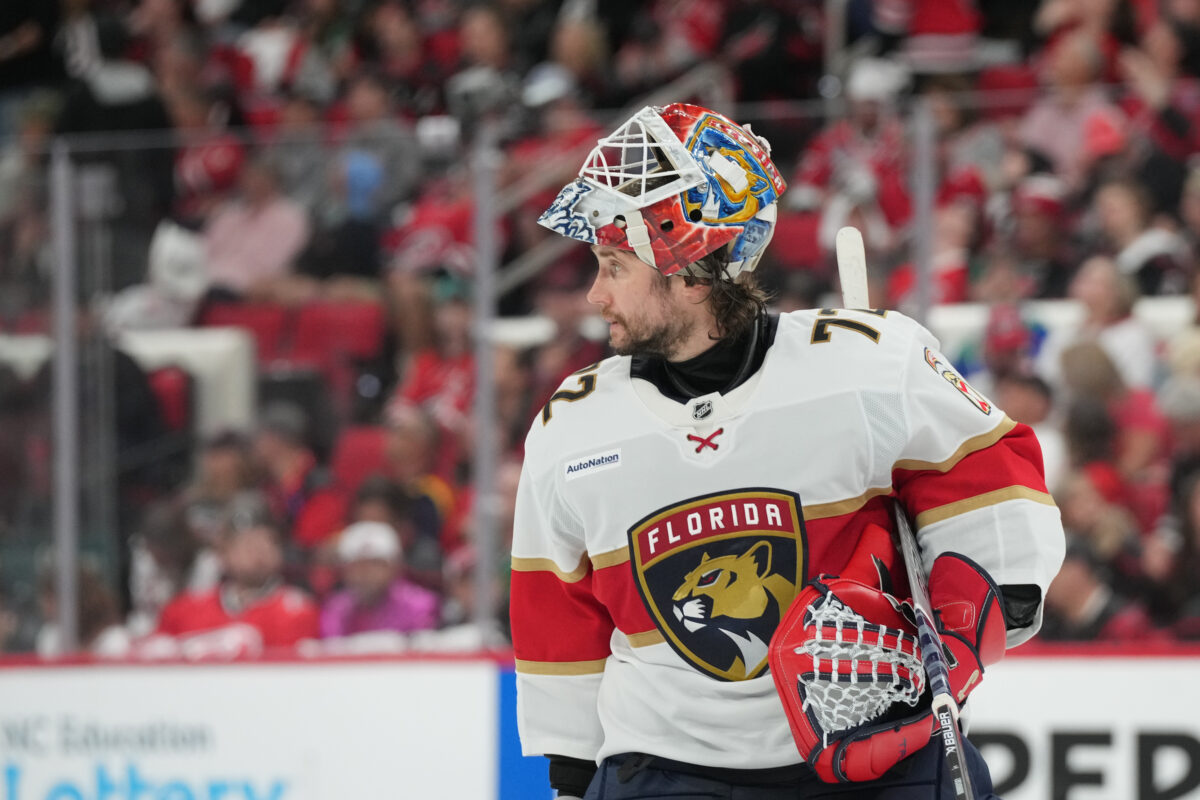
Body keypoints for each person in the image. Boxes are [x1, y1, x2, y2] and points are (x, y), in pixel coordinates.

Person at [510, 103, 1066, 799]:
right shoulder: (572, 425)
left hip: (874, 752)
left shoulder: (867, 365)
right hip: (663, 770)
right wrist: (571, 770)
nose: (595, 294)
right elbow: (554, 613)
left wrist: (963, 631)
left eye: (615, 265)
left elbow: (994, 482)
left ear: (686, 267)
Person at [318, 520, 439, 640]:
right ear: (344, 570)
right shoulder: (336, 609)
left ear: (395, 567)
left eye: (375, 564)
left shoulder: (420, 605)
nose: (365, 572)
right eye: (357, 564)